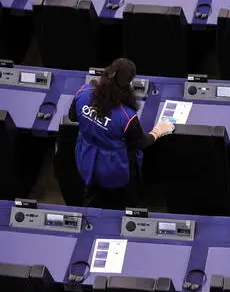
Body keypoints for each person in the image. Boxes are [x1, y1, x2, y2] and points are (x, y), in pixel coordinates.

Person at [68, 58, 174, 210]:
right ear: (128, 84)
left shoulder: (83, 92)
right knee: (125, 203)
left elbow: (73, 117)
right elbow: (141, 143)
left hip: (85, 157)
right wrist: (158, 130)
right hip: (114, 168)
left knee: (92, 197)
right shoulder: (126, 116)